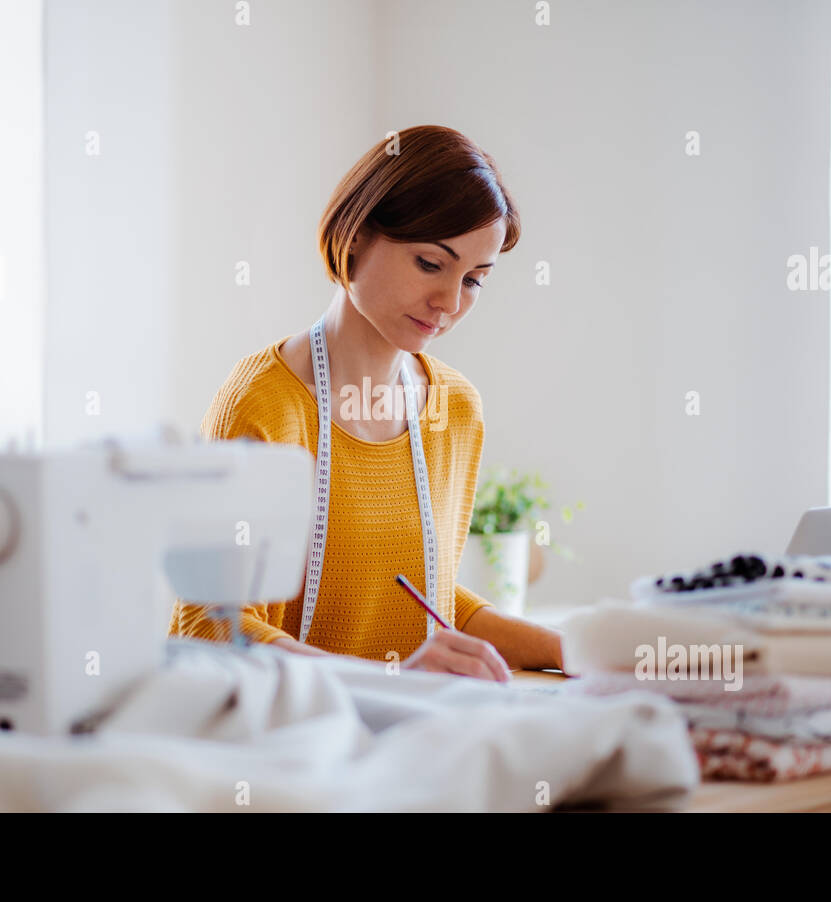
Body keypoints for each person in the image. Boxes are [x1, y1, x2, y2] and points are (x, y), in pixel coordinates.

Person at [169, 125, 565, 682]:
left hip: (410, 734)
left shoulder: (454, 411)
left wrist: (570, 650)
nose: (449, 302)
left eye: (475, 280)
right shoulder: (264, 405)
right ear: (357, 235)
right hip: (285, 746)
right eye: (430, 264)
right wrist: (389, 680)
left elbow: (427, 598)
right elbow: (212, 629)